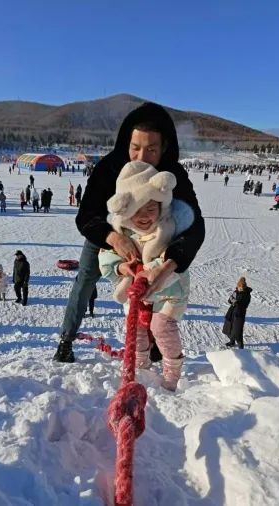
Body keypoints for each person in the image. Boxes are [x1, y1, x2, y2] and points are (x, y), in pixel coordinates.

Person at [54, 102, 204, 363]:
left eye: (151, 150)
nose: (141, 157)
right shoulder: (110, 167)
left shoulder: (173, 173)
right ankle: (66, 338)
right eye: (135, 148)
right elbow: (86, 215)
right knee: (85, 280)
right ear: (126, 143)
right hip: (110, 233)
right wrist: (113, 238)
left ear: (165, 148)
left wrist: (169, 264)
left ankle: (154, 343)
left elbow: (195, 225)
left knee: (159, 285)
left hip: (154, 236)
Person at [97, 161, 189, 391]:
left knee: (161, 327)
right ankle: (140, 363)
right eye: (137, 211)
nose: (145, 216)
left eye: (151, 209)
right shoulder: (122, 235)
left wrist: (154, 269)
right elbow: (105, 259)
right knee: (136, 327)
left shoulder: (168, 230)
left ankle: (172, 371)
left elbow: (178, 256)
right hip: (136, 295)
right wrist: (121, 268)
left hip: (169, 292)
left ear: (161, 207)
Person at [222, 276, 251, 349]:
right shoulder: (236, 292)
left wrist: (236, 303)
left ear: (243, 287)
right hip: (232, 312)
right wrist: (233, 300)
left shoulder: (247, 294)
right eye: (238, 287)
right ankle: (232, 341)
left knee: (238, 331)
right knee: (229, 328)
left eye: (240, 287)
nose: (239, 288)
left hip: (239, 314)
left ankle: (241, 347)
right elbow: (229, 300)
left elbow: (245, 305)